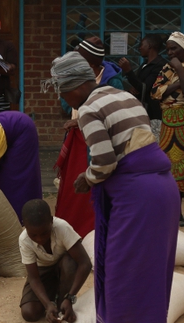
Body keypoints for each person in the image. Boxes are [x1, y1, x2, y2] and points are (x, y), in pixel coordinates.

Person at [42, 51, 180, 322]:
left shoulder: (89, 109)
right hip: (162, 188)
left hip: (137, 195)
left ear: (78, 85)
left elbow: (104, 162)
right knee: (148, 270)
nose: (63, 99)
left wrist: (88, 178)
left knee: (122, 271)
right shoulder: (124, 96)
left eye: (63, 91)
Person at [51, 36, 123, 238]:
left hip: (97, 141)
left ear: (90, 66)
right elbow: (67, 105)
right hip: (79, 139)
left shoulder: (112, 83)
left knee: (97, 185)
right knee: (74, 188)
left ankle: (95, 231)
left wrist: (82, 119)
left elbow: (105, 159)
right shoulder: (77, 87)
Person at [151, 32, 184, 227]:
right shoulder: (165, 69)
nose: (170, 52)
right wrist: (178, 83)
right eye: (168, 48)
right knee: (170, 167)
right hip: (168, 123)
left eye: (174, 48)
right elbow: (155, 93)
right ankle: (176, 211)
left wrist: (180, 72)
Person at [19, 199, 91, 323]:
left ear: (51, 221)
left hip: (63, 267)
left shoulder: (62, 228)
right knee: (29, 313)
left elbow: (85, 263)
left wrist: (70, 297)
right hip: (43, 271)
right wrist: (47, 305)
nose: (40, 239)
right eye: (34, 235)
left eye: (44, 233)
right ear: (24, 225)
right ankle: (53, 299)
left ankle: (63, 300)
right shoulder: (24, 240)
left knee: (69, 264)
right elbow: (34, 278)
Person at [119, 34, 166, 141]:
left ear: (150, 46)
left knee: (152, 144)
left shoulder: (160, 65)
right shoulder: (145, 64)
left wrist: (128, 71)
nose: (139, 48)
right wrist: (134, 89)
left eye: (142, 45)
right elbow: (140, 86)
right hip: (142, 113)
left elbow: (146, 88)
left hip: (153, 114)